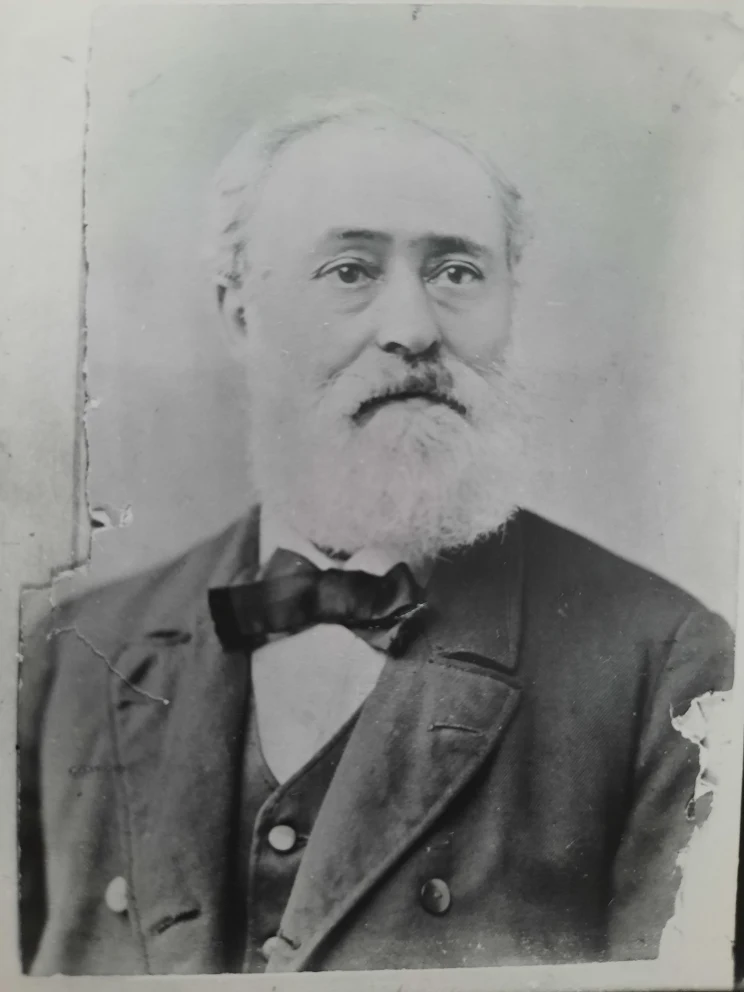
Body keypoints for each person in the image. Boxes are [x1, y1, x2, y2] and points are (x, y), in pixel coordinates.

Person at [18, 100, 733, 976]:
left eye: (458, 272)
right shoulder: (78, 658)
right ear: (241, 312)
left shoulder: (668, 670)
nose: (414, 328)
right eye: (350, 270)